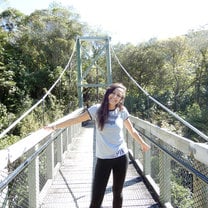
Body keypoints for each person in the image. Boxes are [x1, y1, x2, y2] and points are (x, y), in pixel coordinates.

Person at [45, 83, 150, 208]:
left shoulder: (122, 111)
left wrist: (142, 143)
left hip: (121, 157)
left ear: (121, 99)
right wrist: (54, 127)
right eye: (114, 93)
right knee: (97, 197)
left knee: (118, 193)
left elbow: (132, 130)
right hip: (104, 159)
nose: (115, 97)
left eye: (119, 96)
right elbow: (75, 120)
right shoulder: (96, 110)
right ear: (108, 93)